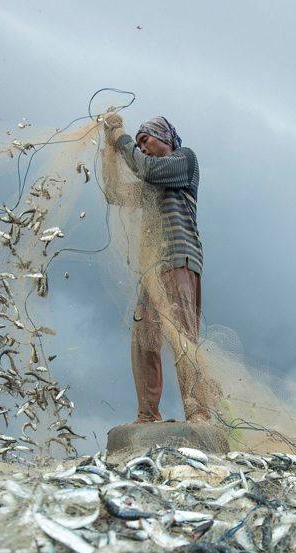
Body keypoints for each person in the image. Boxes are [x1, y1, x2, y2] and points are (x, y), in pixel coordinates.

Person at [102, 112, 214, 424]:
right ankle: (146, 414)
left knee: (181, 337)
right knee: (144, 338)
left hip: (180, 260)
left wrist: (123, 140)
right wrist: (107, 148)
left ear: (164, 139)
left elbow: (147, 168)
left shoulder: (184, 160)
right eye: (138, 143)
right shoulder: (151, 185)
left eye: (145, 140)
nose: (142, 147)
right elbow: (114, 193)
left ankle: (199, 413)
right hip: (152, 269)